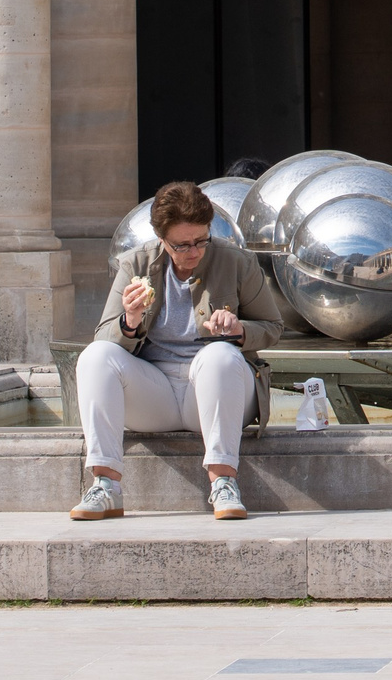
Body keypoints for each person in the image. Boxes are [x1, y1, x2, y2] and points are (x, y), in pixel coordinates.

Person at [71, 180, 287, 523]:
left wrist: (238, 330)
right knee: (93, 357)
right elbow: (104, 338)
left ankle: (224, 483)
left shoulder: (236, 262)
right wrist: (130, 319)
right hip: (155, 392)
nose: (194, 251)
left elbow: (274, 327)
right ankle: (106, 486)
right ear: (161, 238)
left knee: (219, 355)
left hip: (218, 390)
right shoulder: (135, 265)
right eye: (182, 245)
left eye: (202, 240)